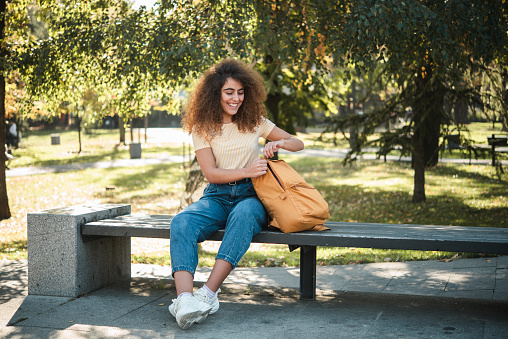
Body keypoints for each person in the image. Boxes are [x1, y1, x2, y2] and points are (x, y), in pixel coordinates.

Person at [168, 59, 304, 330]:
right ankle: (184, 300)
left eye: (241, 92)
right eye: (229, 92)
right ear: (215, 93)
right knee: (181, 222)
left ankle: (208, 294)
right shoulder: (202, 128)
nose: (236, 98)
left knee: (243, 216)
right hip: (216, 196)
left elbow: (298, 143)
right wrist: (247, 169)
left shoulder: (254, 122)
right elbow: (212, 174)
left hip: (251, 197)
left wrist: (278, 142)